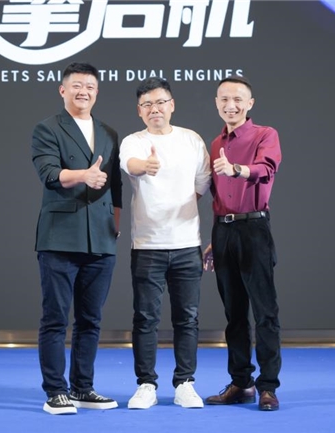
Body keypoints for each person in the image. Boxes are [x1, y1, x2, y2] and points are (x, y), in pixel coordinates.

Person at [31, 62, 122, 415]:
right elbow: (49, 173)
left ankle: (83, 388)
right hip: (60, 237)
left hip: (101, 239)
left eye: (90, 87)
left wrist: (115, 225)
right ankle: (56, 391)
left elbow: (115, 187)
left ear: (97, 92)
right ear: (63, 90)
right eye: (77, 86)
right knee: (55, 319)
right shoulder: (47, 128)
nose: (84, 91)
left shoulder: (109, 132)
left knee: (90, 320)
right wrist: (83, 175)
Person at [119, 77, 211, 410]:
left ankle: (185, 383)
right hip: (147, 246)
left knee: (187, 318)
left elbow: (202, 183)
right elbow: (130, 165)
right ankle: (146, 384)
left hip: (187, 244)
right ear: (139, 111)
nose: (154, 109)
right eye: (147, 104)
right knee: (145, 318)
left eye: (160, 102)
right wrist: (145, 166)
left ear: (172, 105)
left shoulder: (192, 140)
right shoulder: (133, 141)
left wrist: (179, 207)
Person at [203, 75, 283, 411]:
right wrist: (214, 238)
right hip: (224, 232)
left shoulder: (265, 134)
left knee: (265, 313)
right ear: (216, 103)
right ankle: (241, 382)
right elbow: (217, 196)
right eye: (223, 99)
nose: (230, 105)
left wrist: (236, 169)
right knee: (233, 314)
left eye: (237, 99)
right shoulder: (214, 143)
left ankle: (268, 387)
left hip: (254, 229)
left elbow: (266, 168)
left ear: (250, 103)